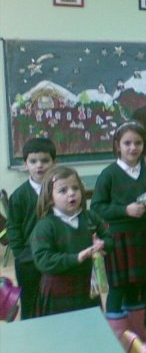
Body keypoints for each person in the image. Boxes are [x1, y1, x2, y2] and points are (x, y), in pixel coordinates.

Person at [90, 121, 146, 342]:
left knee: (137, 286)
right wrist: (125, 210)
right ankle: (118, 339)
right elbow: (96, 208)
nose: (133, 148)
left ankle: (137, 335)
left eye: (138, 143)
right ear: (117, 145)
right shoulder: (109, 174)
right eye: (127, 143)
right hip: (118, 239)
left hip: (144, 237)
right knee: (118, 288)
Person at [31, 166, 113, 316]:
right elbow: (43, 260)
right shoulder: (45, 226)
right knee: (61, 328)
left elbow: (109, 238)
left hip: (86, 286)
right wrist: (77, 257)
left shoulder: (90, 217)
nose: (71, 193)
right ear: (50, 198)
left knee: (89, 325)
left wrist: (103, 243)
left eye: (75, 188)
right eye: (63, 191)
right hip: (58, 290)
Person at [7, 137, 57, 319]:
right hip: (28, 259)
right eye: (33, 161)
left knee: (54, 298)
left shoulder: (61, 191)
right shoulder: (19, 196)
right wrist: (20, 253)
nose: (39, 165)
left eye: (45, 160)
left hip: (55, 255)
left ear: (54, 162)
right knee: (30, 300)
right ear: (25, 164)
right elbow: (13, 227)